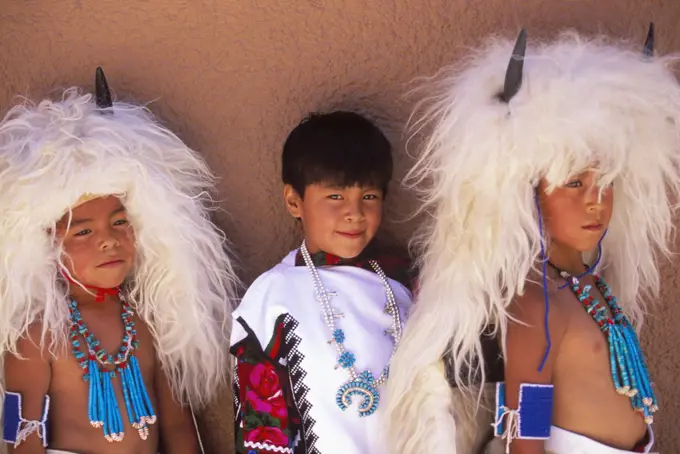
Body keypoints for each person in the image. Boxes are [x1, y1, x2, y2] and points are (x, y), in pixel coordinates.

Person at [383, 24, 680, 454]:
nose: (596, 202)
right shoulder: (538, 304)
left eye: (607, 182)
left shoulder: (590, 286)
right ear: (530, 193)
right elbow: (526, 437)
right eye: (575, 184)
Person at [0, 68, 238, 454]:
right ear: (49, 241)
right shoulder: (36, 338)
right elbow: (20, 438)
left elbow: (178, 425)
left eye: (119, 223)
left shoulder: (151, 323)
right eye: (83, 232)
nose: (108, 241)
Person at [231, 111, 414, 454]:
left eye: (369, 197)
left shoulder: (404, 286)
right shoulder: (273, 299)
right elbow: (262, 433)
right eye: (335, 196)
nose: (355, 213)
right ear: (293, 201)